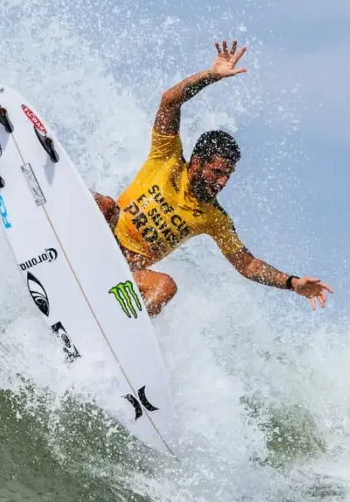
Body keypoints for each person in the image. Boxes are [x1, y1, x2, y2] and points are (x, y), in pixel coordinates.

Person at [94, 39, 333, 316]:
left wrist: (291, 283)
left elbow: (247, 264)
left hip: (123, 275)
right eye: (217, 172)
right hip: (98, 238)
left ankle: (121, 329)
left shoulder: (215, 218)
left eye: (228, 176)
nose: (222, 182)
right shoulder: (167, 158)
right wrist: (211, 75)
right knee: (106, 205)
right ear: (196, 162)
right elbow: (169, 102)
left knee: (165, 286)